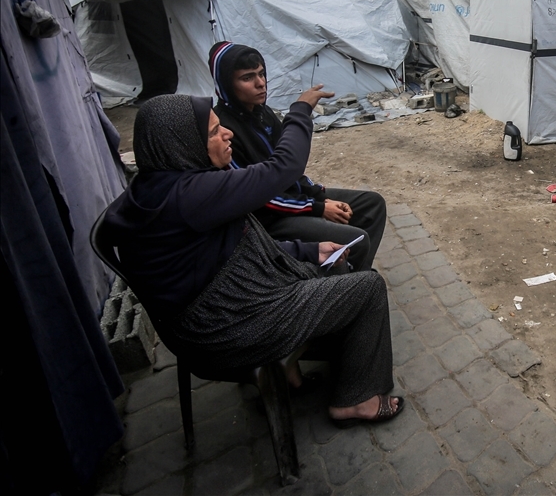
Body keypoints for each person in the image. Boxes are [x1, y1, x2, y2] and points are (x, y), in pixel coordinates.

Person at [103, 91, 402, 424]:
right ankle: (356, 399)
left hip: (219, 309)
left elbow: (235, 248)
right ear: (183, 144)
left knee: (335, 262)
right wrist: (302, 109)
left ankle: (292, 373)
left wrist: (309, 250)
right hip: (225, 327)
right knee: (368, 287)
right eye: (214, 132)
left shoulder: (158, 186)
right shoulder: (190, 196)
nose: (226, 133)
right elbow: (284, 167)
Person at [207, 41, 386, 272]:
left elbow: (291, 170)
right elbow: (259, 199)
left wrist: (319, 195)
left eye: (262, 74)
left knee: (372, 204)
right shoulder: (225, 133)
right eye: (247, 77)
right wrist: (317, 207)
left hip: (294, 200)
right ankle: (349, 285)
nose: (260, 83)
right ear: (226, 84)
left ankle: (356, 275)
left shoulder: (263, 113)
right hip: (271, 218)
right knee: (355, 237)